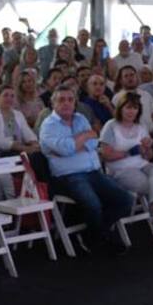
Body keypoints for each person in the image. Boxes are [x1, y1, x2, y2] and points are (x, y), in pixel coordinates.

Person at [40, 87, 133, 255]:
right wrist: (83, 137)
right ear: (53, 103)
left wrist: (75, 143)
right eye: (61, 100)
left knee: (126, 200)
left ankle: (94, 233)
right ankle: (98, 239)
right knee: (93, 204)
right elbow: (67, 149)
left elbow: (93, 144)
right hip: (69, 176)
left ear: (75, 102)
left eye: (70, 99)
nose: (67, 103)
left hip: (93, 171)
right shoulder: (48, 125)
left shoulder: (81, 118)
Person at [98, 95, 153, 252]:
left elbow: (149, 157)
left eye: (134, 107)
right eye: (128, 107)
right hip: (121, 170)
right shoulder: (111, 125)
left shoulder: (140, 127)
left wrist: (147, 148)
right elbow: (105, 155)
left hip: (143, 165)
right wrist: (132, 151)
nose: (131, 111)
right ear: (121, 108)